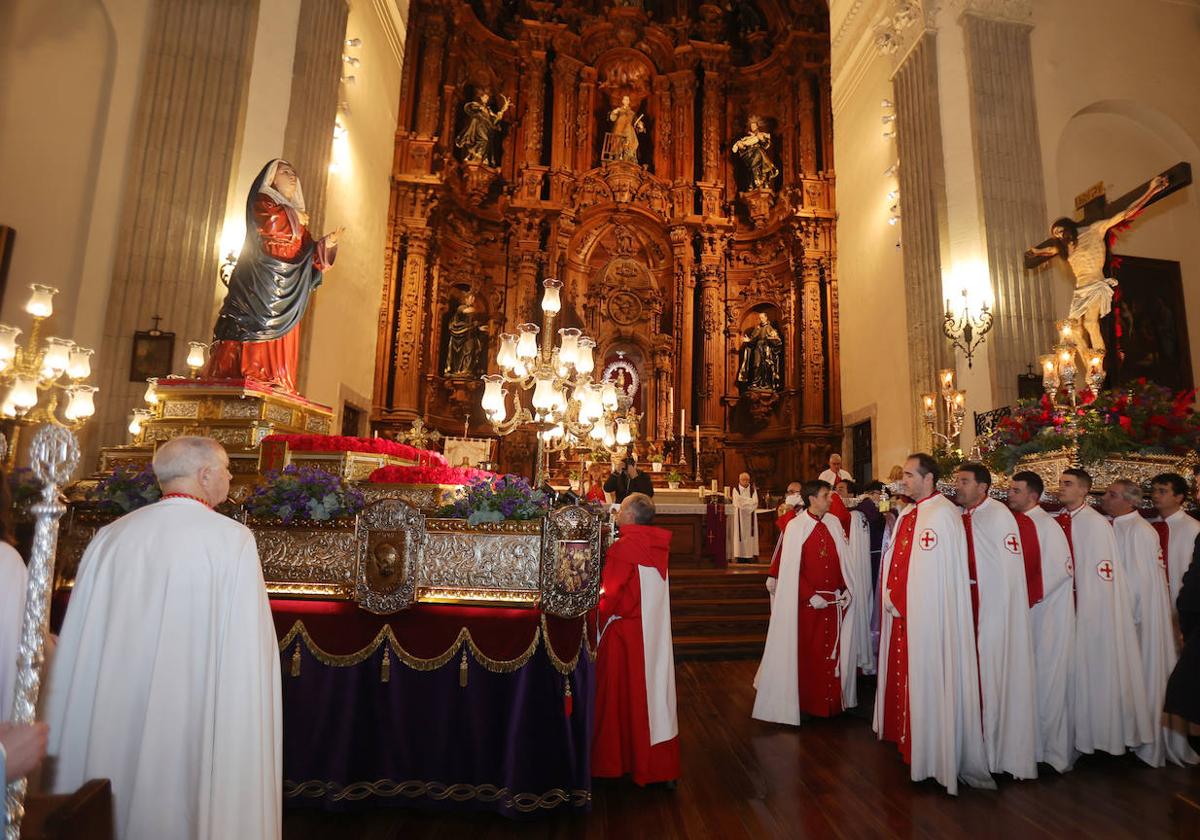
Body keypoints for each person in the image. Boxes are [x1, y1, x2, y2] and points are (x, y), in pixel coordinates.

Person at [43, 436, 282, 840]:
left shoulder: (112, 535)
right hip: (193, 707)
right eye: (225, 469)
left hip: (113, 705)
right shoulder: (230, 540)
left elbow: (85, 635)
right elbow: (246, 653)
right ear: (205, 475)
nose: (228, 478)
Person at [873, 454, 992, 795]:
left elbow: (934, 575)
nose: (903, 480)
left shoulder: (942, 514)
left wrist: (905, 601)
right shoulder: (912, 511)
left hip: (927, 620)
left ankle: (931, 754)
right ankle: (911, 742)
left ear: (928, 479)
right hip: (903, 617)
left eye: (909, 475)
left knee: (927, 680)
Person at [203, 159, 342, 392]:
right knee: (257, 324)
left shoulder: (298, 219)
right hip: (261, 279)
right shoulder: (263, 201)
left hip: (288, 287)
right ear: (271, 178)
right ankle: (254, 373)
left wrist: (327, 244)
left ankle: (277, 377)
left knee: (282, 332)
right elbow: (269, 226)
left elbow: (309, 256)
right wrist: (294, 216)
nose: (292, 176)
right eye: (285, 171)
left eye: (294, 172)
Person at [1054, 468, 1149, 758]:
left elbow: (1102, 574)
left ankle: (1095, 738)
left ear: (1084, 490)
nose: (1062, 488)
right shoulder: (1061, 519)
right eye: (1060, 483)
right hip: (1065, 609)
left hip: (1089, 611)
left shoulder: (1095, 525)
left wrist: (1090, 611)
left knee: (1092, 675)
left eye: (1068, 484)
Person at [1103, 479, 1197, 767]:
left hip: (1151, 614)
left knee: (1149, 673)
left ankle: (1148, 740)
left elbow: (1142, 581)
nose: (1105, 498)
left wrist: (1131, 615)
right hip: (1133, 613)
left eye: (1162, 491)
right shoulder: (1130, 526)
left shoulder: (1154, 531)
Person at [1025, 174, 1169, 360]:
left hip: (1095, 283)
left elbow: (1124, 214)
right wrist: (1036, 252)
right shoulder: (1066, 247)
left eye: (1060, 230)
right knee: (1072, 328)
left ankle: (1099, 358)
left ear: (1067, 225)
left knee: (1091, 323)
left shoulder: (1094, 230)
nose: (1059, 235)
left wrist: (1151, 190)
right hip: (1080, 289)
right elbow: (1049, 251)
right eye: (1056, 234)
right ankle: (1090, 364)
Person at [954, 463, 1037, 780]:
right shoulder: (965, 515)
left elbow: (1005, 574)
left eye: (964, 481)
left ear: (983, 487)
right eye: (957, 481)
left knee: (993, 680)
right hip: (970, 607)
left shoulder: (998, 516)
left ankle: (996, 754)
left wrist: (994, 616)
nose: (958, 486)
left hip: (992, 613)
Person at [592, 493, 678, 786]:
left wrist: (595, 622)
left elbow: (611, 596)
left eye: (620, 509)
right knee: (651, 696)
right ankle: (654, 764)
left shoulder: (624, 548)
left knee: (616, 696)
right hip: (651, 631)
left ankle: (614, 762)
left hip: (624, 635)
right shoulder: (657, 546)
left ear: (628, 516)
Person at [754, 480, 856, 724]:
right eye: (825, 496)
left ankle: (831, 704)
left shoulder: (833, 523)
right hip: (808, 606)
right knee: (810, 657)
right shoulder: (796, 526)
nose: (831, 500)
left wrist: (845, 588)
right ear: (812, 499)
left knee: (832, 657)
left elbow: (843, 561)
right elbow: (791, 570)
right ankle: (810, 705)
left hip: (833, 603)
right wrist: (810, 594)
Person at [1006, 471, 1076, 773]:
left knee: (1049, 683)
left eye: (1016, 490)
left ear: (1032, 495)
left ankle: (1054, 754)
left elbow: (1060, 569)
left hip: (1047, 616)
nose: (1010, 494)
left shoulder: (1045, 525)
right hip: (1028, 612)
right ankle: (1031, 748)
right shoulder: (1018, 522)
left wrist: (1022, 597)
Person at [1149, 472, 1200, 625]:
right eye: (1154, 490)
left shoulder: (1193, 528)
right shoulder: (1150, 526)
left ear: (1179, 497)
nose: (1156, 495)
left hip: (1180, 597)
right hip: (1153, 596)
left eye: (1162, 491)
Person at [455, 91, 510, 165]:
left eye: (487, 98)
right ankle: (476, 156)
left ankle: (474, 156)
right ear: (481, 98)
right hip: (478, 126)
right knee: (484, 140)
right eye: (485, 97)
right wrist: (480, 108)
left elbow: (494, 119)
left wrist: (502, 112)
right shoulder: (477, 105)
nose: (486, 99)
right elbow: (469, 108)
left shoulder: (488, 109)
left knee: (485, 142)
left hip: (486, 128)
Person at [767, 481, 803, 577]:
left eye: (792, 492)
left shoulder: (807, 510)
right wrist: (789, 508)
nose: (789, 495)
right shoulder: (783, 508)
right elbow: (786, 530)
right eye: (788, 492)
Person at [730, 472, 759, 563]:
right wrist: (748, 501)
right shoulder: (735, 489)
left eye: (747, 480)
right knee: (740, 535)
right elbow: (737, 502)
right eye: (744, 480)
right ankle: (739, 555)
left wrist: (745, 501)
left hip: (750, 517)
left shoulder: (752, 490)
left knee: (750, 535)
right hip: (739, 516)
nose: (746, 481)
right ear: (740, 480)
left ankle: (750, 555)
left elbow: (755, 502)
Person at [607, 94, 645, 162]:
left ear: (629, 101)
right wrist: (614, 112)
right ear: (622, 101)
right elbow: (612, 119)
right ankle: (617, 156)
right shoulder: (619, 110)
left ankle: (629, 157)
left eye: (627, 100)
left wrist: (640, 125)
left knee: (632, 141)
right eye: (625, 99)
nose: (626, 101)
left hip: (629, 130)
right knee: (617, 142)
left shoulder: (632, 113)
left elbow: (635, 122)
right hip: (619, 129)